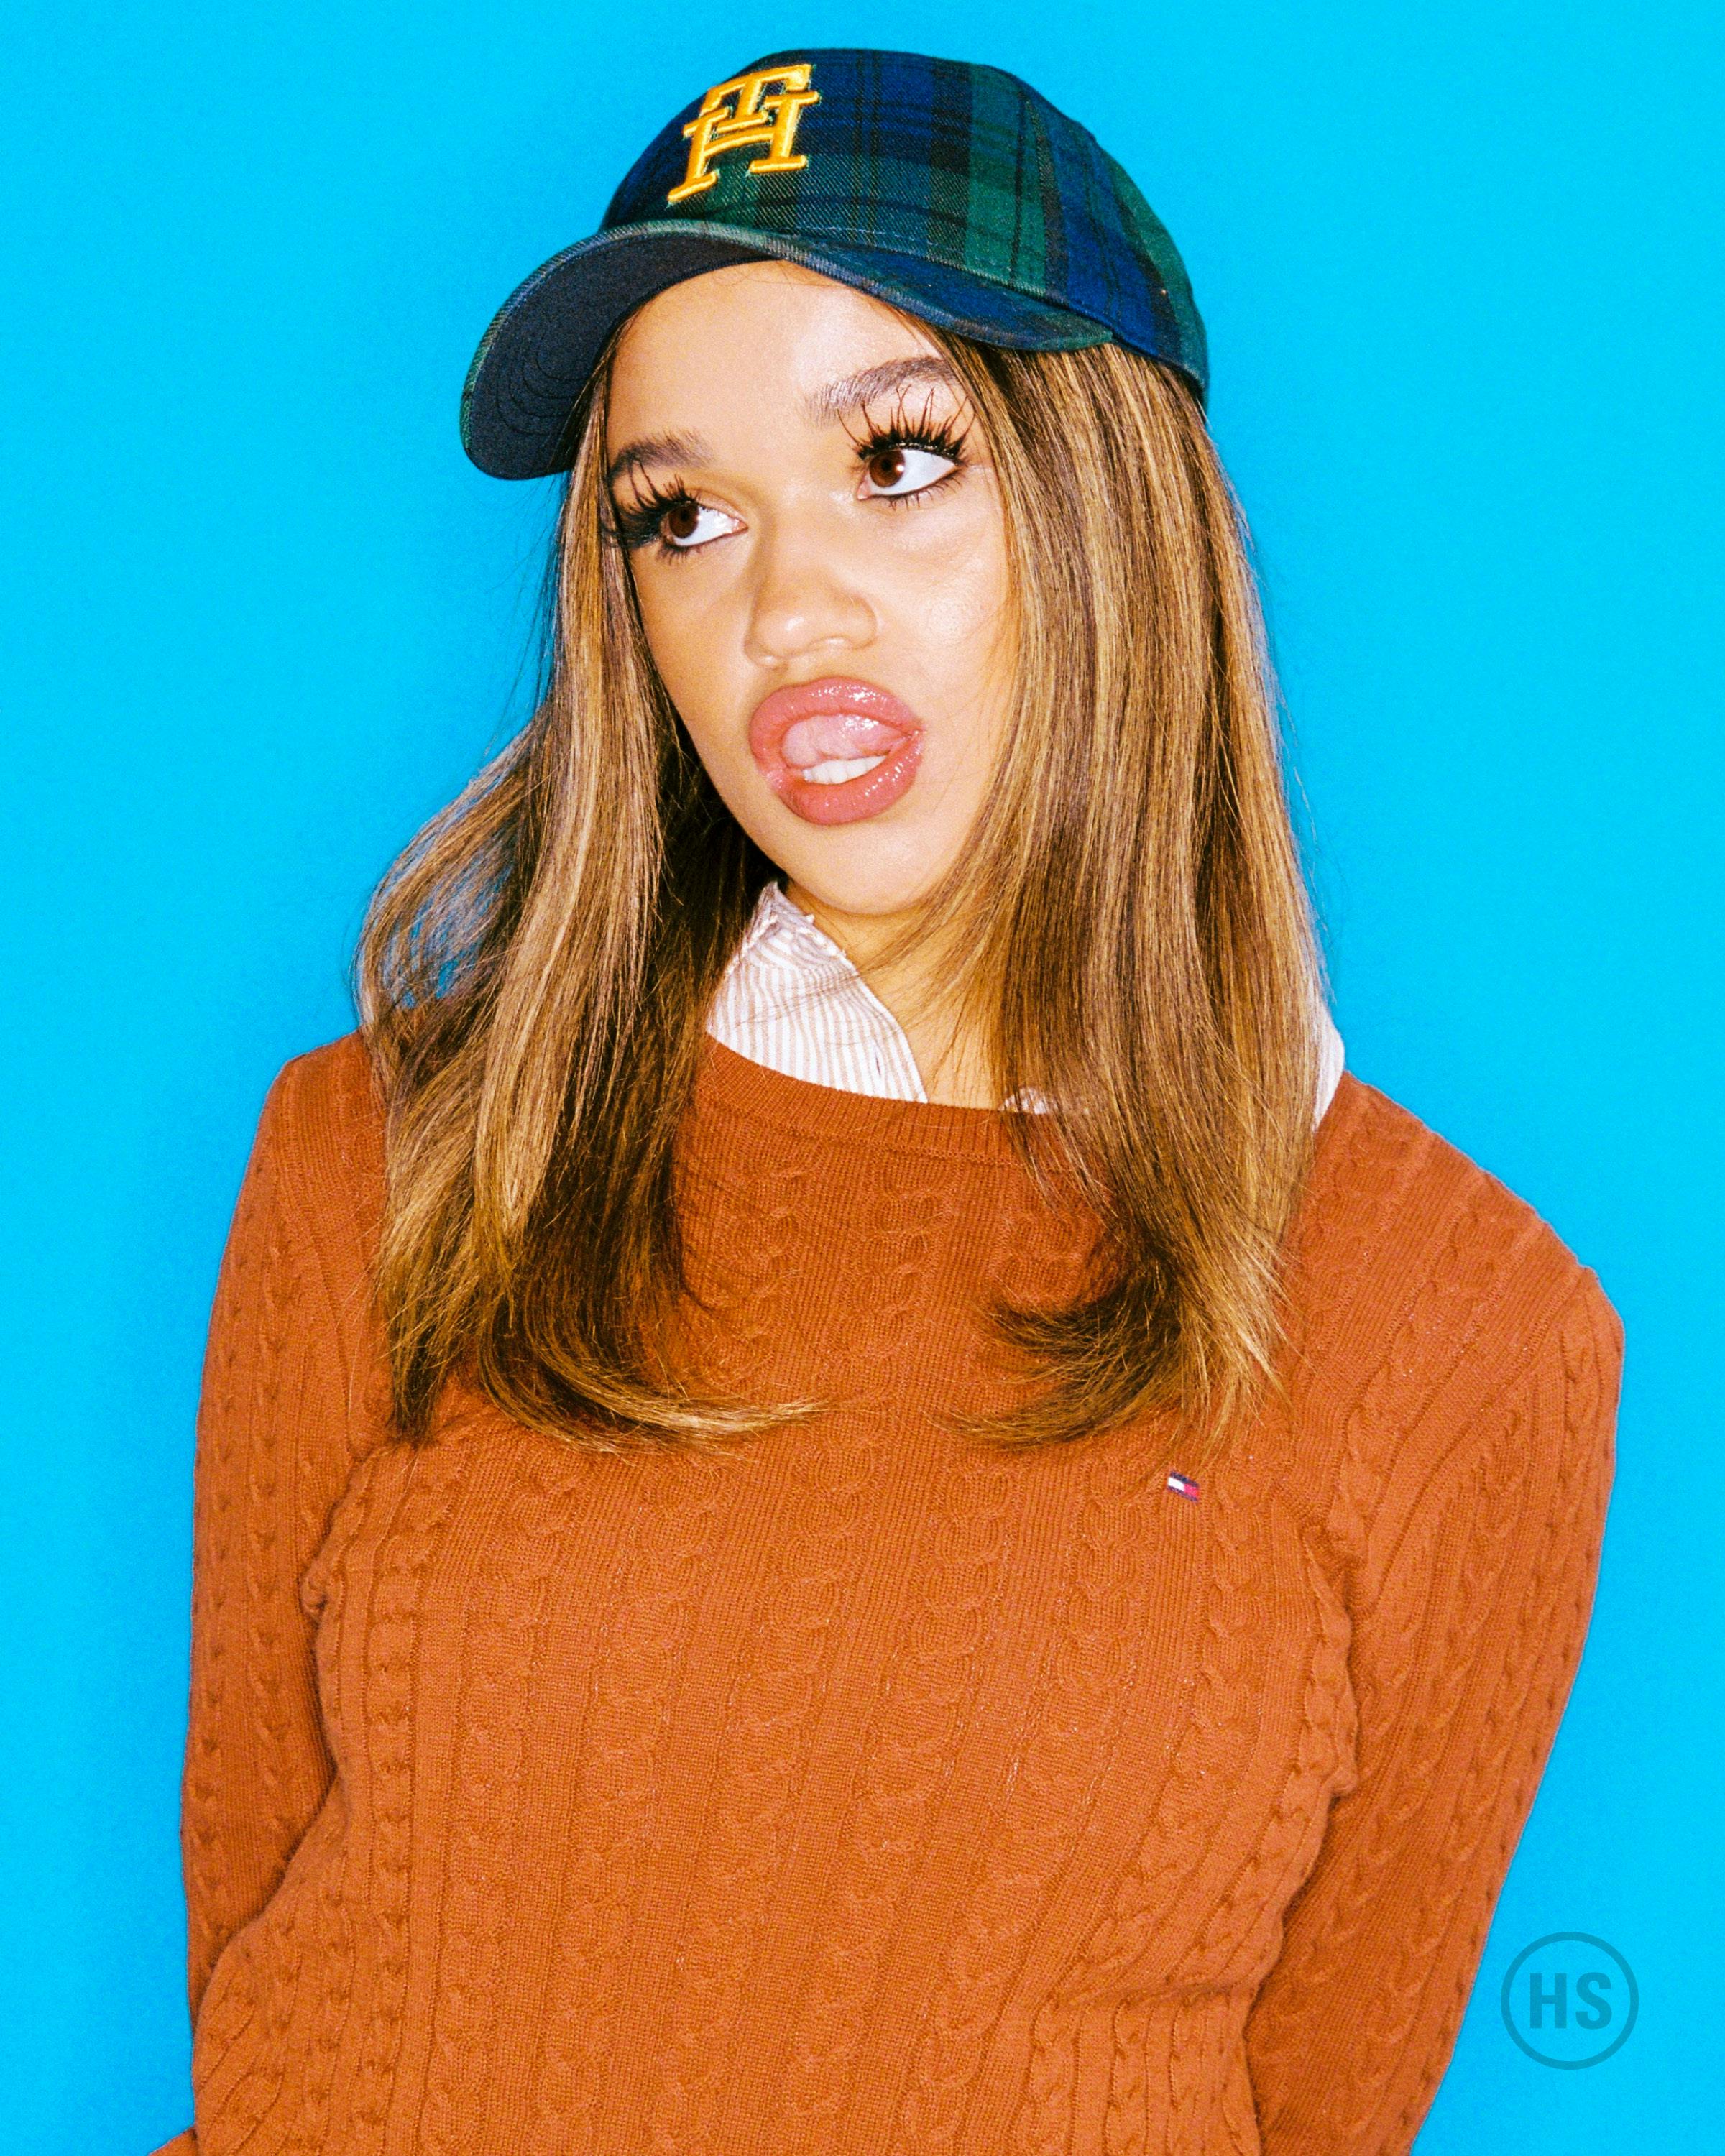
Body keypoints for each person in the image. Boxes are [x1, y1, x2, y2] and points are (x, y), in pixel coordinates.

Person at [150, 49, 1622, 2156]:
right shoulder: (394, 1156)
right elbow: (267, 2004)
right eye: (681, 516)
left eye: (899, 459)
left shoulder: (1465, 1331)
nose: (783, 608)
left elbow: (1325, 2094)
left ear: (1113, 500)